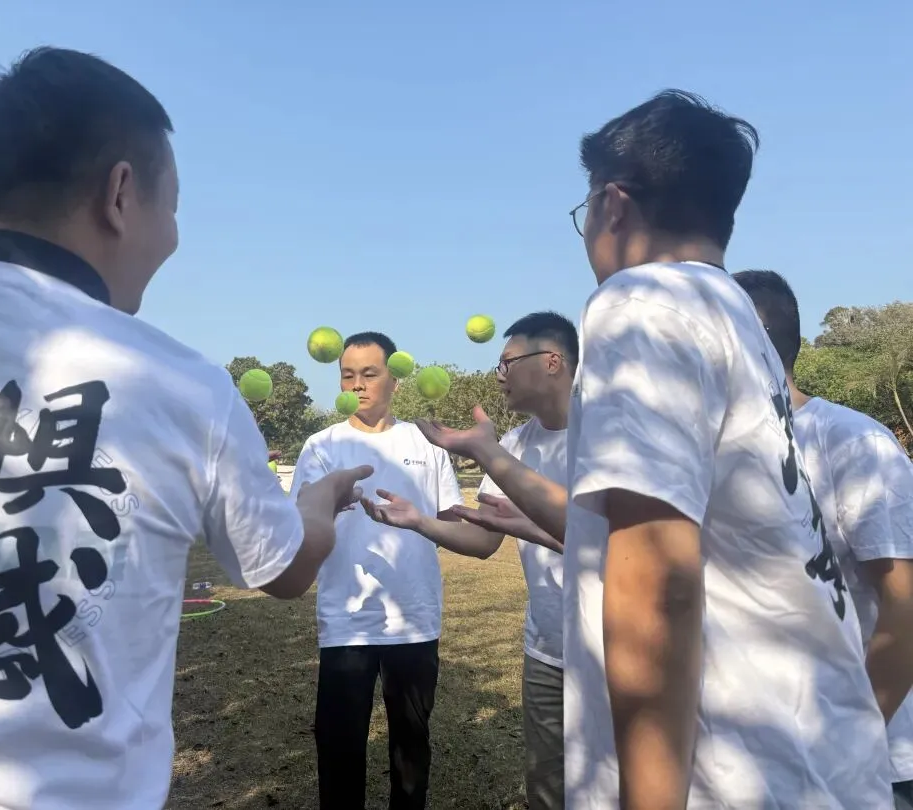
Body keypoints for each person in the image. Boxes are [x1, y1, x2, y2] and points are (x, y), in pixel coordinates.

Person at [0, 47, 370, 810]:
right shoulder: (180, 385)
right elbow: (282, 569)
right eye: (171, 206)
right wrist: (318, 502)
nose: (173, 236)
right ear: (120, 193)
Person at [416, 90, 892, 809]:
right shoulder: (736, 321)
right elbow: (627, 536)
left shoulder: (641, 303)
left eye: (583, 210)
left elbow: (656, 576)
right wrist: (494, 456)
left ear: (612, 204)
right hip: (809, 764)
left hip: (732, 778)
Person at [362, 311, 575, 810]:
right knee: (547, 789)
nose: (498, 375)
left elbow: (617, 543)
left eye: (507, 362)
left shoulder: (612, 432)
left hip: (616, 648)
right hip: (547, 649)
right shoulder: (513, 445)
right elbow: (483, 541)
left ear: (551, 361)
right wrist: (419, 521)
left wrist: (528, 521)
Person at [735, 268, 913, 806]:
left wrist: (849, 746)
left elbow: (904, 606)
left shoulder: (854, 443)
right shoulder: (724, 453)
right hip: (771, 761)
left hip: (871, 766)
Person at [291, 331, 464, 810]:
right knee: (339, 744)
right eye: (348, 375)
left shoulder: (426, 443)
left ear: (395, 380)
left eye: (370, 373)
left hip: (414, 616)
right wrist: (328, 506)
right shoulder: (322, 446)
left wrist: (423, 520)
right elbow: (299, 525)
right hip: (346, 618)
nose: (358, 384)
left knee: (411, 742)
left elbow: (449, 523)